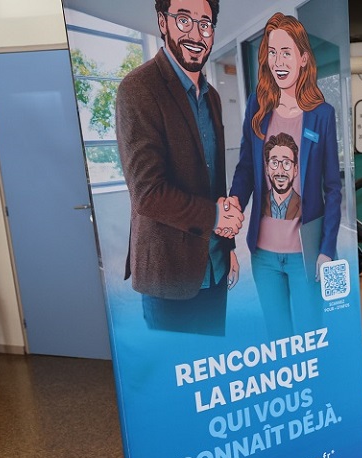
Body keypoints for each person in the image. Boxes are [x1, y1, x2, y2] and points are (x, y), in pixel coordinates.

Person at [116, 0, 241, 335]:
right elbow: (147, 194)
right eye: (183, 19)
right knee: (174, 381)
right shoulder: (139, 88)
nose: (197, 33)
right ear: (162, 21)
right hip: (169, 275)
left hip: (213, 266)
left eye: (205, 23)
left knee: (212, 370)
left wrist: (226, 246)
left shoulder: (212, 96)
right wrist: (217, 217)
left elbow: (214, 185)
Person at [227, 12, 341, 338]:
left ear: (303, 58)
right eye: (272, 52)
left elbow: (333, 188)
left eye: (286, 52)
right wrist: (233, 209)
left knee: (311, 336)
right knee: (278, 339)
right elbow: (247, 169)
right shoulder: (257, 106)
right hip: (263, 254)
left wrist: (327, 250)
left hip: (306, 254)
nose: (278, 61)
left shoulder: (321, 115)